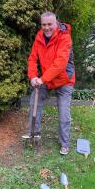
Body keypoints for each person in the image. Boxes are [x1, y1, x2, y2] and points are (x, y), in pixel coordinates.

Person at [22, 11, 75, 155]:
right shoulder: (39, 37)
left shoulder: (65, 38)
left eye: (49, 24)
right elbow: (32, 59)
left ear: (56, 23)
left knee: (64, 112)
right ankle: (35, 133)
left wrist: (42, 79)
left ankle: (64, 143)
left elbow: (60, 64)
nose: (46, 28)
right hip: (46, 78)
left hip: (64, 80)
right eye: (43, 24)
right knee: (35, 100)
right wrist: (33, 76)